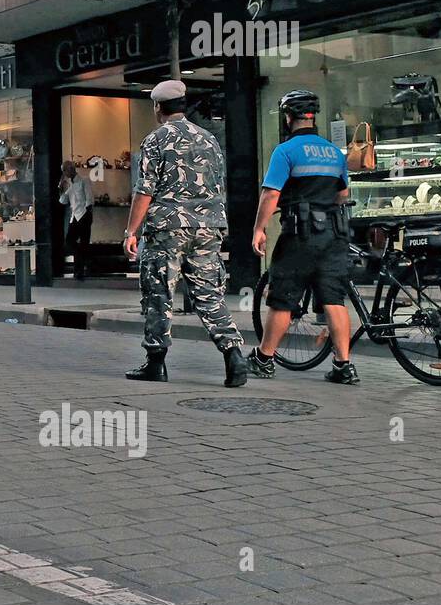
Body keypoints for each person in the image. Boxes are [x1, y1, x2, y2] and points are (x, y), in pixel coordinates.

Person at [123, 80, 249, 387]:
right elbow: (220, 183)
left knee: (159, 294)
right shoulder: (209, 139)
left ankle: (156, 363)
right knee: (209, 293)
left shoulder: (155, 140)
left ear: (158, 108)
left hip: (169, 228)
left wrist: (131, 231)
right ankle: (233, 355)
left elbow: (145, 191)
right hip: (209, 226)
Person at [248, 90, 358, 385]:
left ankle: (264, 359)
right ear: (313, 117)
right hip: (334, 235)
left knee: (283, 298)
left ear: (288, 118)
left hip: (300, 234)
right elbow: (342, 195)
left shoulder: (286, 151)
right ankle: (343, 365)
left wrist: (259, 229)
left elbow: (272, 193)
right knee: (334, 298)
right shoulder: (334, 152)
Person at [58, 160, 94, 281]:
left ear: (71, 169)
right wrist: (61, 188)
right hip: (74, 217)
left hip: (84, 215)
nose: (64, 173)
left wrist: (88, 215)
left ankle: (80, 271)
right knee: (70, 242)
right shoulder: (70, 185)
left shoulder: (84, 180)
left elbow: (89, 198)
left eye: (65, 170)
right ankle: (79, 267)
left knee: (84, 243)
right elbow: (62, 201)